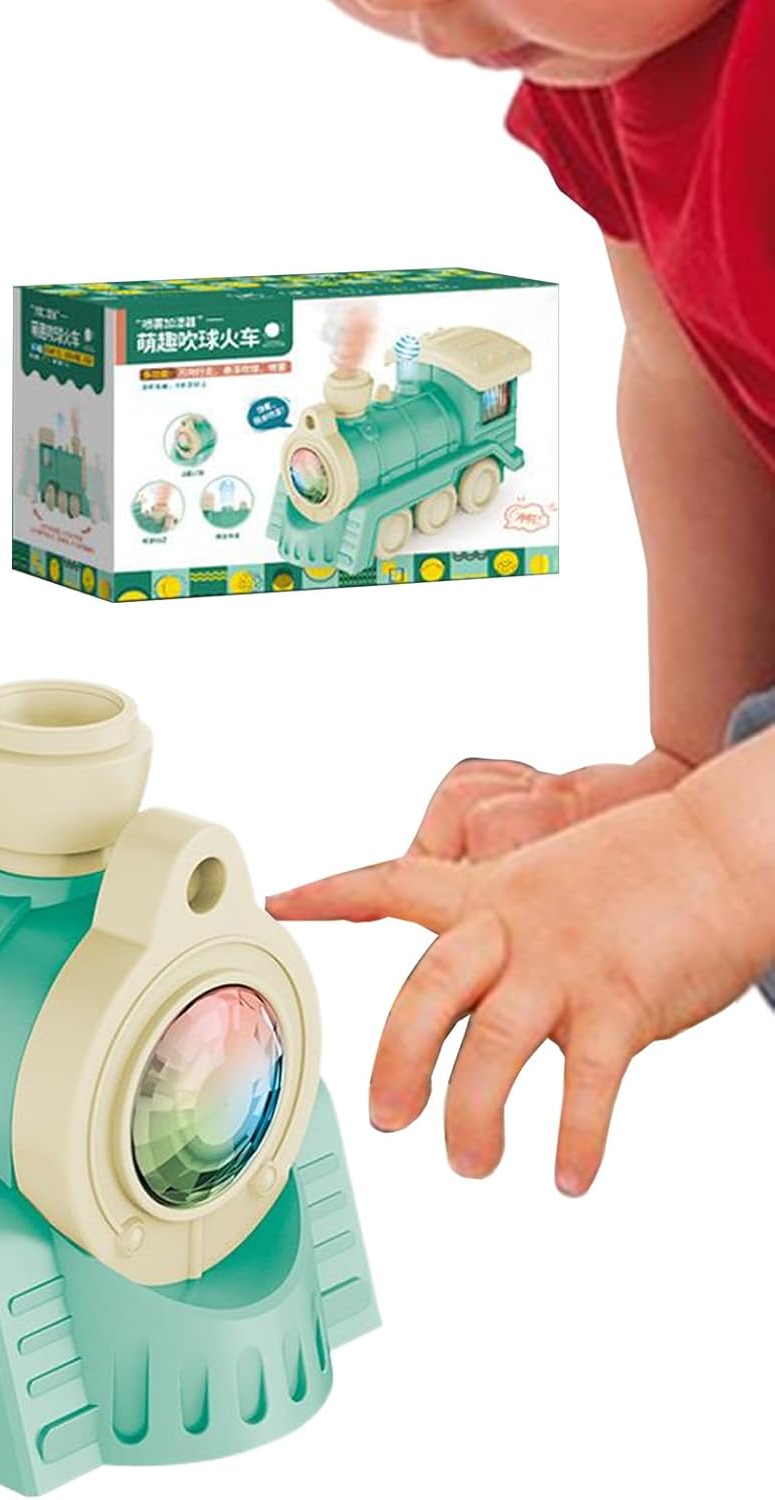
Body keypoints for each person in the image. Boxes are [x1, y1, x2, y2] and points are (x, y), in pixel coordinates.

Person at [271, 1, 775, 1196]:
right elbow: (686, 374)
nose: (432, 20)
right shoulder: (617, 57)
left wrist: (715, 854)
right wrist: (690, 763)